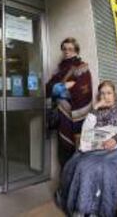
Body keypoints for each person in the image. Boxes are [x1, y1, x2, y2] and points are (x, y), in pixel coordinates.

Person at [56, 80, 117, 217]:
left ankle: (98, 210)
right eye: (102, 94)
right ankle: (82, 210)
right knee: (80, 165)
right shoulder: (96, 111)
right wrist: (95, 108)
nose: (106, 97)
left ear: (115, 94)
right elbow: (86, 131)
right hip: (95, 150)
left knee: (102, 167)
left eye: (109, 93)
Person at [46, 37, 93, 168]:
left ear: (76, 50)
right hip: (62, 118)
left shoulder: (82, 67)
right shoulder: (59, 69)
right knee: (63, 153)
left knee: (77, 155)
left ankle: (74, 187)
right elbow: (47, 87)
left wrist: (63, 90)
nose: (67, 51)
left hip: (75, 119)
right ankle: (64, 186)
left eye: (70, 49)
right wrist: (60, 87)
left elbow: (84, 91)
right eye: (64, 49)